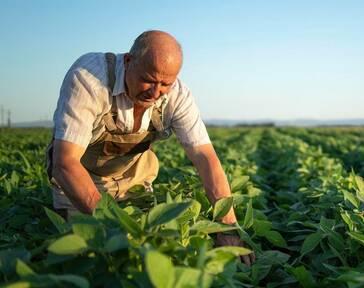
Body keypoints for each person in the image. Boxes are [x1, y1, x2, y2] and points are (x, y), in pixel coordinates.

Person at [46, 30, 254, 265]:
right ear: (128, 61)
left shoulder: (178, 96)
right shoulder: (89, 78)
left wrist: (226, 228)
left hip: (134, 182)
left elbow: (205, 158)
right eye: (148, 79)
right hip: (80, 183)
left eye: (165, 83)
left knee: (158, 252)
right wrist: (118, 228)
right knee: (88, 256)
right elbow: (65, 164)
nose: (155, 92)